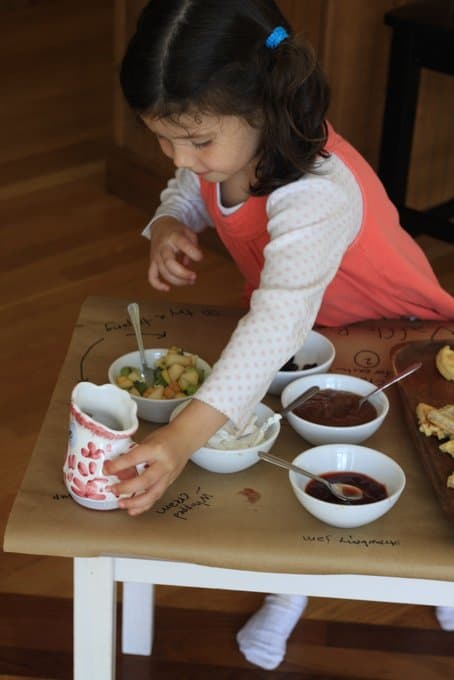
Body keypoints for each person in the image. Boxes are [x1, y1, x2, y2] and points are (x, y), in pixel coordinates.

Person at [105, 0, 454, 670]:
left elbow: (275, 321)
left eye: (197, 140)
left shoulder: (316, 188)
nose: (180, 156)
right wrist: (167, 225)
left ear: (262, 105)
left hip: (394, 337)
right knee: (296, 463)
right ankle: (289, 592)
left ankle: (436, 577)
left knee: (403, 477)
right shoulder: (222, 145)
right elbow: (188, 187)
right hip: (308, 337)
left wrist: (181, 436)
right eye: (162, 136)